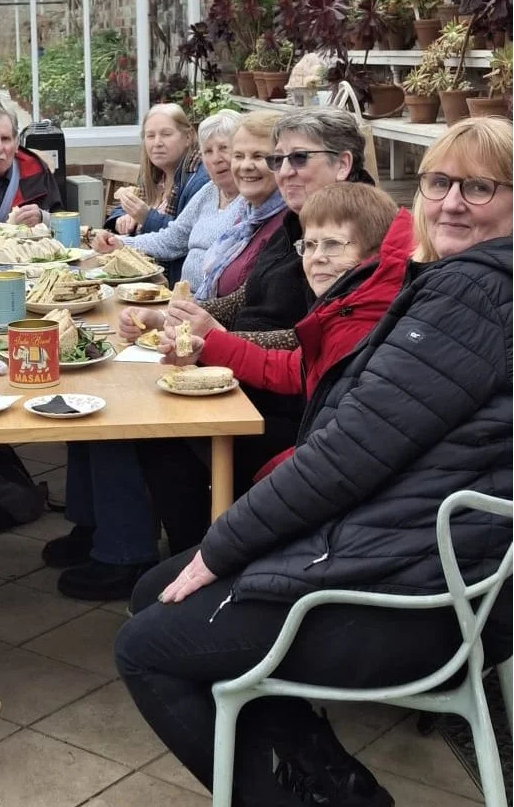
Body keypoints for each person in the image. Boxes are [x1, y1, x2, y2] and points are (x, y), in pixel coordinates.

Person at [115, 115, 512, 807]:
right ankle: (333, 782)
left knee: (148, 648)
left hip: (417, 594)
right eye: (439, 182)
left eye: (478, 188)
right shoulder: (462, 283)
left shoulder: (470, 295)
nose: (450, 201)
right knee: (155, 591)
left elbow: (347, 455)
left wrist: (222, 546)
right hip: (431, 557)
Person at [47, 112, 281, 602]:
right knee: (85, 383)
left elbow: (276, 329)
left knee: (111, 410)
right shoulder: (248, 213)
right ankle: (97, 529)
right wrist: (169, 315)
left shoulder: (281, 227)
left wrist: (197, 329)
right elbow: (229, 295)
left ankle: (126, 552)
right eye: (233, 154)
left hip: (242, 382)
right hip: (202, 342)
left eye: (257, 156)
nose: (236, 165)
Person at [141, 183, 410, 555]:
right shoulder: (347, 303)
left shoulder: (364, 320)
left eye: (332, 245)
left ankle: (201, 551)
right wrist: (210, 346)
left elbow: (345, 440)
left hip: (317, 472)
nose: (316, 257)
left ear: (373, 253)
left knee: (174, 436)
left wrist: (272, 481)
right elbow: (292, 367)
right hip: (310, 449)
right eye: (309, 246)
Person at [123, 107, 372, 493]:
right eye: (279, 159)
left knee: (154, 424)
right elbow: (249, 296)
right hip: (254, 378)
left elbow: (310, 345)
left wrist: (218, 342)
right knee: (143, 411)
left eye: (299, 158)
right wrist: (173, 317)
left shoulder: (357, 234)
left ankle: (206, 542)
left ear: (343, 165)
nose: (284, 170)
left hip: (295, 410)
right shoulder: (298, 219)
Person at [93, 109, 243, 289]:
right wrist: (119, 243)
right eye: (208, 151)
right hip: (181, 296)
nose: (216, 158)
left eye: (224, 148)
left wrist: (145, 218)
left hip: (197, 300)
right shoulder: (208, 191)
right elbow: (172, 239)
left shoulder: (248, 200)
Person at [105, 105, 209, 257]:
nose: (157, 143)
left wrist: (145, 217)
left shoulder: (198, 180)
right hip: (140, 263)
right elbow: (122, 209)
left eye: (166, 134)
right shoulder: (154, 173)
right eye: (150, 136)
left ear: (188, 137)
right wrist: (123, 217)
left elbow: (184, 237)